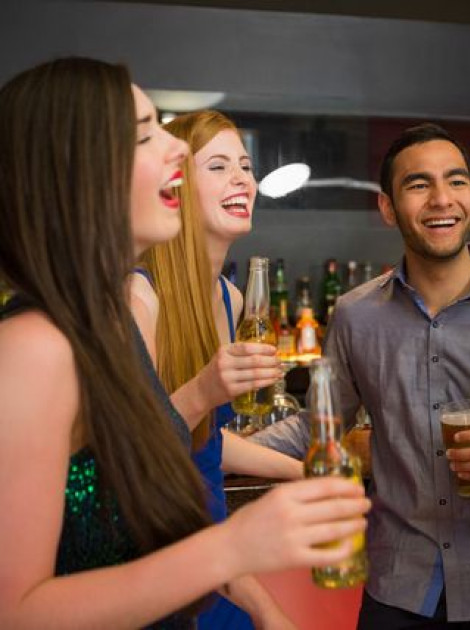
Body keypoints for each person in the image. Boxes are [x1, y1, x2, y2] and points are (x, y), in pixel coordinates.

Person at [0, 57, 369, 628]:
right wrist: (234, 547)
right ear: (76, 170)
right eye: (146, 135)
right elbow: (15, 612)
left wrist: (264, 607)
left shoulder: (101, 327)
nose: (175, 150)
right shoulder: (33, 347)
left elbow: (153, 523)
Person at [250, 122, 470, 627]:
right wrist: (214, 451)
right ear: (388, 208)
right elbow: (317, 427)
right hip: (397, 586)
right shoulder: (355, 315)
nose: (441, 199)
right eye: (418, 184)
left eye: (456, 181)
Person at [132, 109, 302, 629]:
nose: (242, 180)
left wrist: (302, 470)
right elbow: (134, 458)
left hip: (215, 555)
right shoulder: (139, 297)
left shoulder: (229, 297)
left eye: (246, 166)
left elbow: (205, 441)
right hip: (157, 568)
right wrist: (205, 390)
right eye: (219, 166)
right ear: (176, 184)